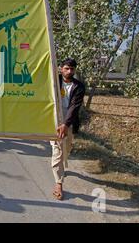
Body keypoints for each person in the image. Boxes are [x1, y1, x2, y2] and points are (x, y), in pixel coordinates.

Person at [51, 58, 85, 200]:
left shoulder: (79, 86)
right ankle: (58, 183)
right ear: (61, 68)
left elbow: (74, 107)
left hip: (69, 121)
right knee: (58, 150)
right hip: (53, 120)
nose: (69, 71)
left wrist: (66, 124)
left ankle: (62, 167)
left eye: (72, 69)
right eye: (66, 68)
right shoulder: (54, 80)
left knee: (67, 149)